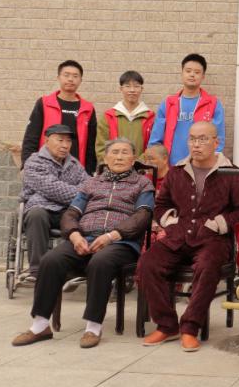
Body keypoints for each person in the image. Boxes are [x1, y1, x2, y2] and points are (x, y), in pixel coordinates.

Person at [11, 138, 154, 349]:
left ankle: (93, 327)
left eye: (125, 153)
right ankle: (40, 325)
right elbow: (71, 213)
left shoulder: (143, 184)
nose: (119, 157)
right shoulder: (91, 183)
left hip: (121, 242)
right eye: (114, 152)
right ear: (105, 158)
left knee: (100, 262)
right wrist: (74, 235)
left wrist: (112, 236)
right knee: (50, 260)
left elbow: (142, 216)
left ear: (133, 159)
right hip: (85, 238)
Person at [137, 121, 239, 353]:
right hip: (178, 236)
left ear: (216, 142)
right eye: (192, 139)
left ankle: (190, 327)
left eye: (203, 139)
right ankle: (167, 325)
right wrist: (171, 221)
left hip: (213, 239)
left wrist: (217, 224)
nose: (196, 144)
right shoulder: (177, 172)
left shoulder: (233, 173)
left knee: (207, 266)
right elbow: (161, 204)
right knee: (148, 263)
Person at [19, 124, 89, 279]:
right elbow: (53, 189)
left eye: (68, 141)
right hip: (40, 208)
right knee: (36, 215)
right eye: (60, 140)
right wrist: (75, 193)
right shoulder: (34, 161)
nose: (65, 145)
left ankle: (73, 268)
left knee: (84, 218)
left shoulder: (75, 165)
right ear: (47, 141)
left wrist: (69, 194)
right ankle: (37, 270)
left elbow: (88, 188)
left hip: (66, 211)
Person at [148, 54, 226, 165]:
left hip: (200, 166)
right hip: (171, 166)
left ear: (203, 76)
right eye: (188, 71)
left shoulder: (213, 104)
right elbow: (155, 140)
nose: (192, 75)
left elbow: (219, 139)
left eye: (197, 72)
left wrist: (210, 164)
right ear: (182, 73)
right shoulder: (168, 103)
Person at [21, 60, 97, 174]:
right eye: (66, 75)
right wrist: (27, 165)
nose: (70, 79)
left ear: (80, 80)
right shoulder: (44, 103)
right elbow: (31, 137)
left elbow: (91, 144)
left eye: (75, 76)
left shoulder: (88, 108)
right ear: (58, 78)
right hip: (45, 168)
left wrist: (89, 172)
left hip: (76, 169)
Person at [95, 70, 155, 161]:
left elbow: (153, 146)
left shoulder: (151, 117)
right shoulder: (108, 117)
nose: (132, 90)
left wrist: (138, 164)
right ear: (121, 89)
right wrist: (114, 164)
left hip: (141, 168)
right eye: (127, 86)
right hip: (113, 167)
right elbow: (101, 147)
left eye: (136, 86)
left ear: (141, 89)